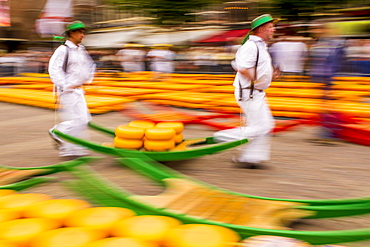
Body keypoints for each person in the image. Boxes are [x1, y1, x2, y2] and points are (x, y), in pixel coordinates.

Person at [213, 14, 278, 169]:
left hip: (255, 92)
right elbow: (242, 67)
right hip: (248, 92)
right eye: (270, 27)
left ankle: (250, 158)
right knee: (263, 126)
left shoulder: (260, 46)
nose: (273, 29)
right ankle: (223, 137)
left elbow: (256, 67)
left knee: (264, 125)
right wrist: (258, 79)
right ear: (261, 29)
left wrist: (270, 74)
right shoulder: (251, 46)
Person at [48, 20, 96, 159]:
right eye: (80, 32)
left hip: (79, 89)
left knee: (82, 120)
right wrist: (65, 86)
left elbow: (89, 66)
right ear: (72, 33)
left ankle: (71, 149)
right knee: (80, 119)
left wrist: (88, 79)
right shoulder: (63, 50)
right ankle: (57, 132)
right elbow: (54, 69)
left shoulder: (81, 50)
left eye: (83, 32)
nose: (83, 35)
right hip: (68, 90)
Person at [308, 22, 345, 145]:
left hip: (328, 77)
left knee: (326, 104)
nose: (314, 31)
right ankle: (329, 131)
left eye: (316, 28)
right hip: (325, 77)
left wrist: (329, 76)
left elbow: (333, 61)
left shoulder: (331, 44)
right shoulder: (322, 42)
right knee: (325, 104)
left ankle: (328, 132)